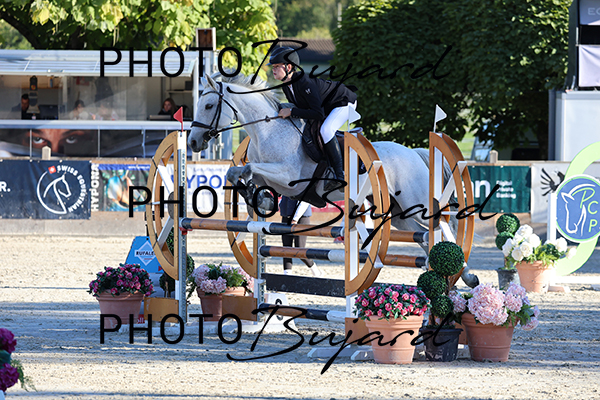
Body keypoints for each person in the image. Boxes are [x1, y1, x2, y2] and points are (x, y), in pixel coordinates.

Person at [269, 46, 359, 192]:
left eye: (276, 66)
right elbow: (304, 109)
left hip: (344, 102)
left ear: (288, 67)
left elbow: (317, 113)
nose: (273, 70)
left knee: (326, 130)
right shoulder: (286, 86)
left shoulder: (305, 83)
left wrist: (291, 112)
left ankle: (339, 175)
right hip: (327, 107)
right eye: (273, 67)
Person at [280, 196, 323, 277]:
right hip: (286, 215)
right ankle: (287, 275)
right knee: (286, 247)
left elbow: (305, 201)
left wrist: (295, 218)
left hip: (302, 217)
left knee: (299, 248)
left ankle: (315, 271)